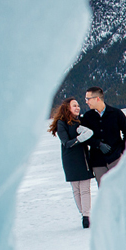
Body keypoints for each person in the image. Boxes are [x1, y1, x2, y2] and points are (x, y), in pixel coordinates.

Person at [49, 97, 95, 228]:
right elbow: (66, 143)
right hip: (70, 160)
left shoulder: (80, 121)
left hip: (83, 158)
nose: (77, 107)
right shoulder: (61, 123)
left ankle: (86, 216)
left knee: (85, 189)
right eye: (74, 105)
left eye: (78, 105)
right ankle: (84, 214)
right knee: (76, 190)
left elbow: (90, 135)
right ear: (67, 108)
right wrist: (79, 138)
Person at [81, 87, 126, 186]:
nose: (86, 102)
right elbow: (84, 137)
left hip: (116, 160)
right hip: (98, 163)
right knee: (105, 193)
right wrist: (98, 144)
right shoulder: (87, 117)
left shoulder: (116, 113)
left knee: (121, 189)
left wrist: (122, 151)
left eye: (88, 99)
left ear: (97, 99)